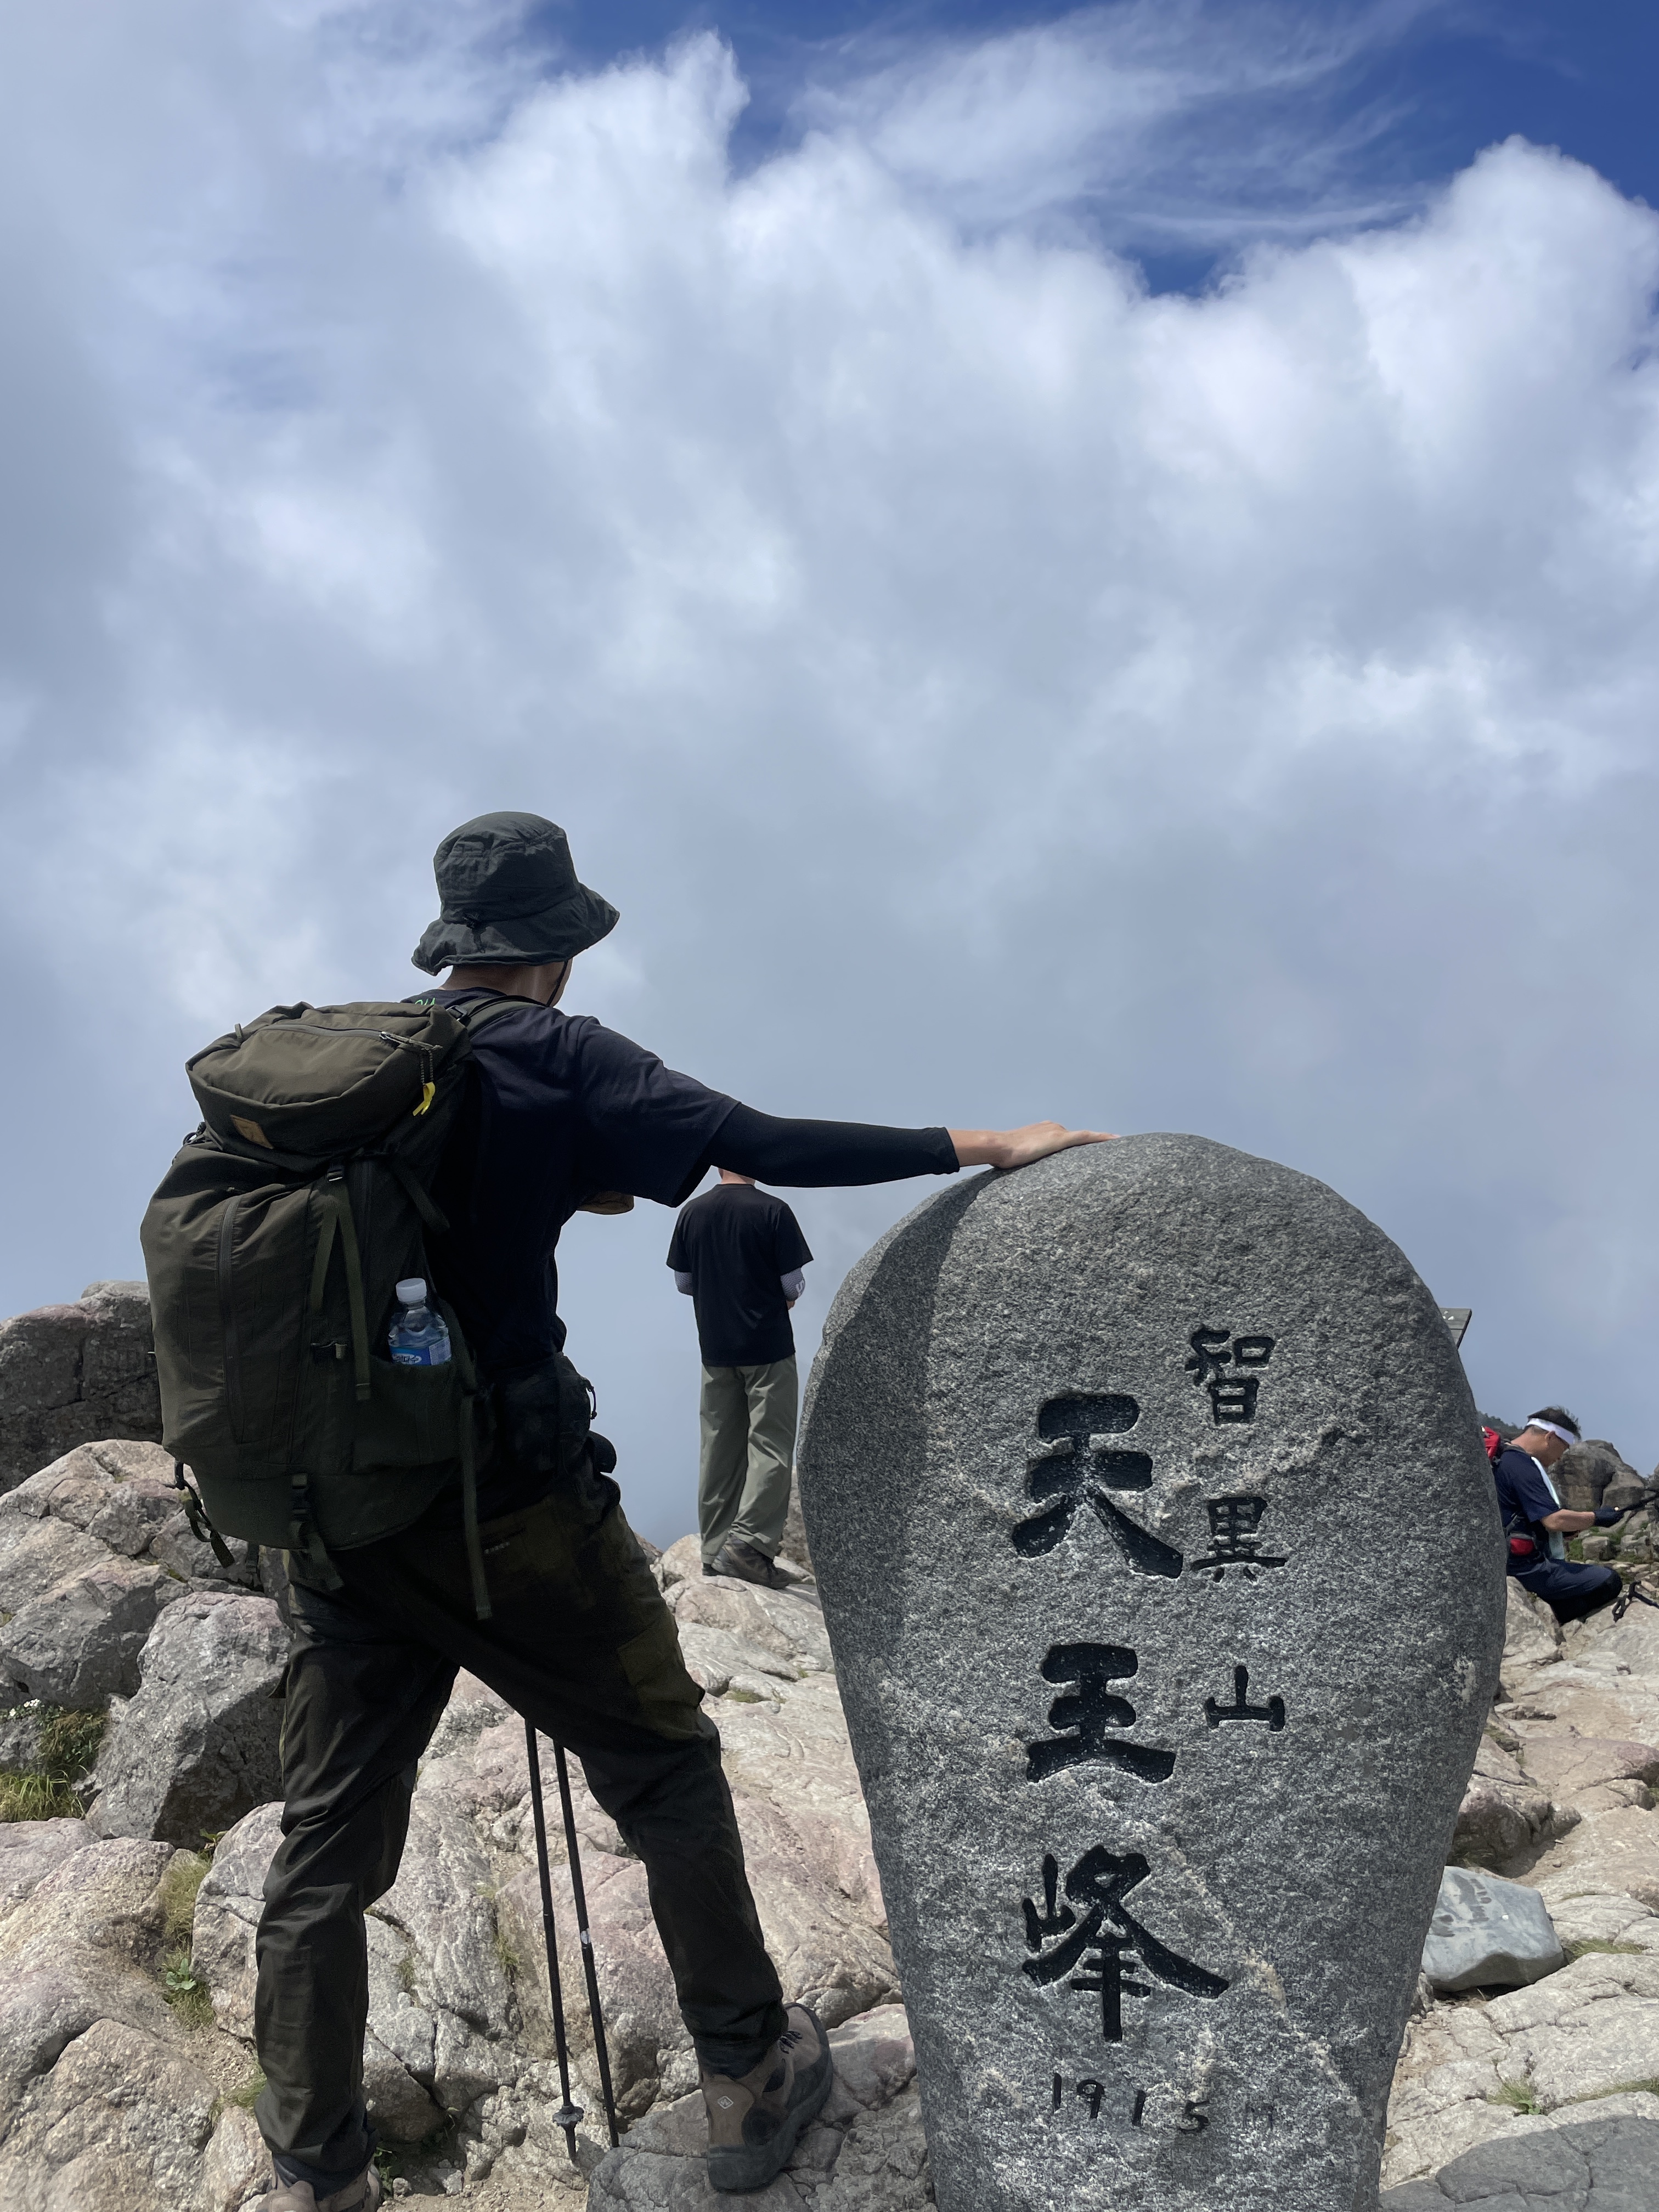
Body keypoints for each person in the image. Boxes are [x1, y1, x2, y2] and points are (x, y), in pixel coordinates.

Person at [256, 811, 1113, 2212]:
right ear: (558, 950)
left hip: (339, 1516)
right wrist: (983, 1143)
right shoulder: (557, 1053)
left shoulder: (352, 1073)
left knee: (324, 1849)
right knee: (662, 1768)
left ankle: (314, 2169)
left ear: (457, 943)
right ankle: (749, 2065)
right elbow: (757, 1139)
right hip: (509, 1513)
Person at [668, 1169, 811, 1588]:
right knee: (770, 1443)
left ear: (718, 1167)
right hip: (768, 1347)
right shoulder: (773, 1210)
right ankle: (749, 1546)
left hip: (715, 1348)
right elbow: (793, 1285)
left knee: (719, 1447)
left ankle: (714, 1551)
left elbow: (684, 1282)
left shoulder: (692, 1212)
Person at [1493, 1407, 1629, 1625]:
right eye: (1563, 1448)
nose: (1560, 1458)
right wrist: (1596, 1517)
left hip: (1508, 1560)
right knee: (1609, 1581)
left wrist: (1563, 1531)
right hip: (1526, 1568)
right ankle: (1553, 1617)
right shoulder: (1520, 1465)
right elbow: (1554, 1520)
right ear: (1550, 1437)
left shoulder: (1505, 1458)